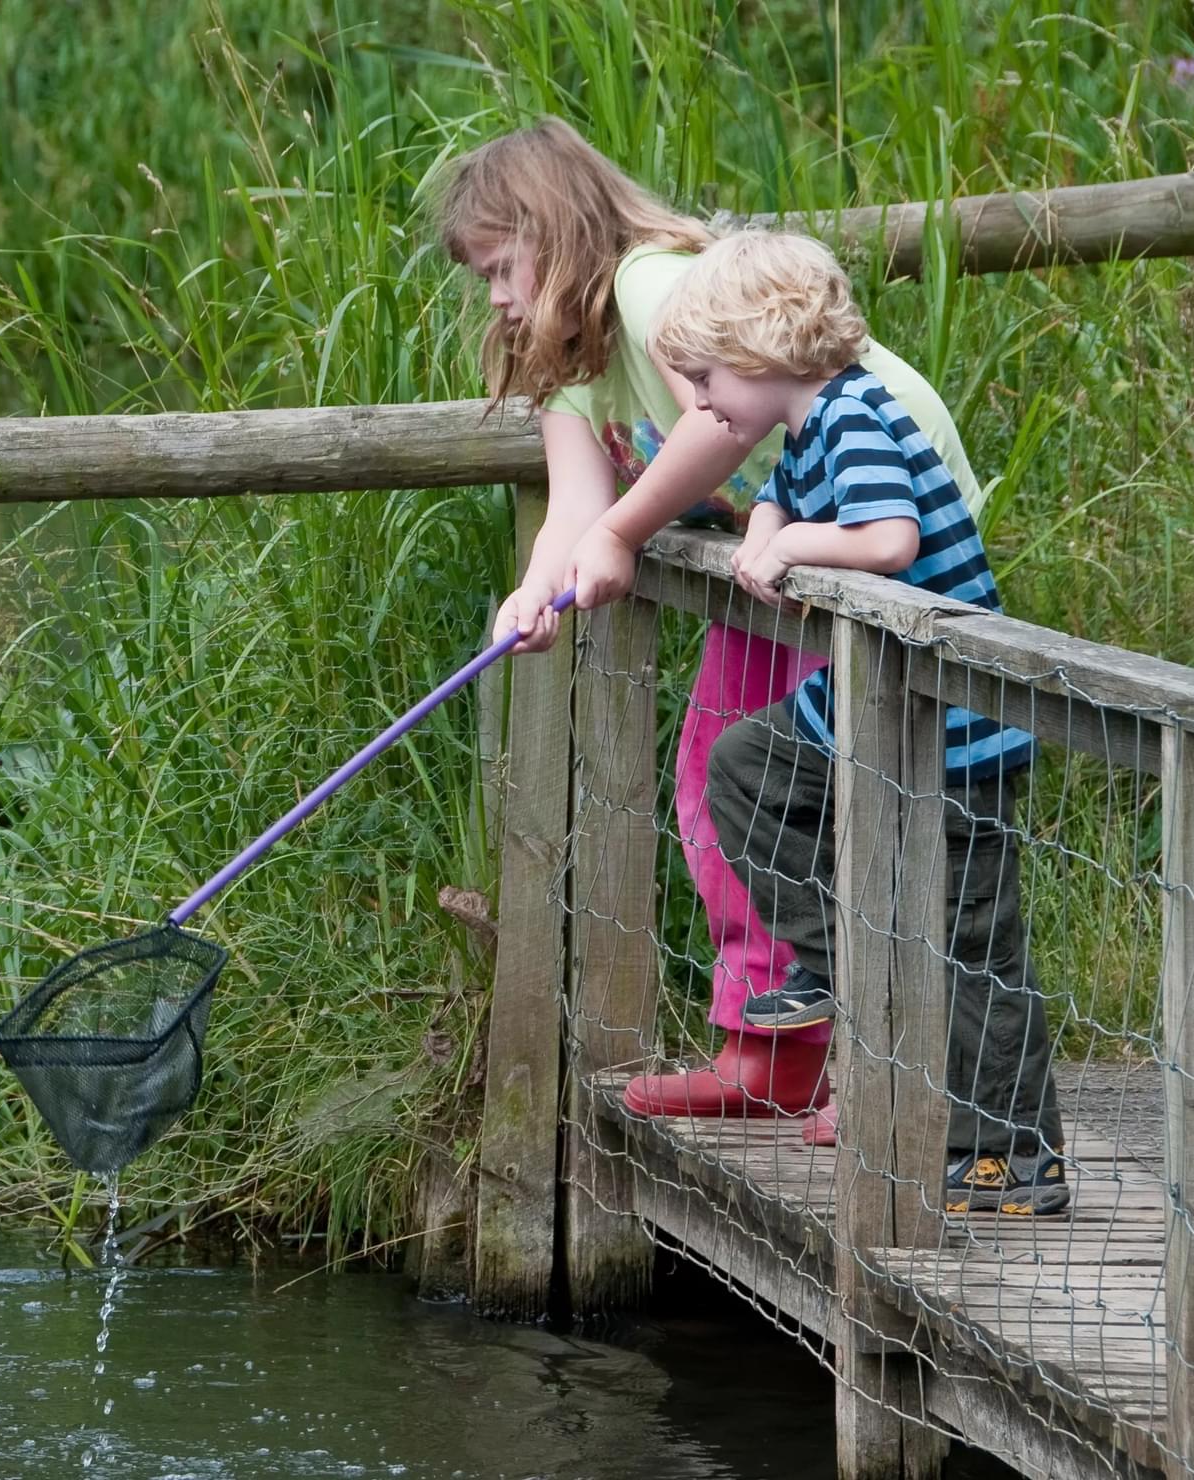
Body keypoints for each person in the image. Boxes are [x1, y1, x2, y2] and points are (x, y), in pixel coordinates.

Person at [438, 118, 988, 1133]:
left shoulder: (654, 285)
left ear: (554, 236)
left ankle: (887, 1070)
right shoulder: (572, 361)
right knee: (718, 774)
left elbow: (718, 422)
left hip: (874, 529)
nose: (499, 298)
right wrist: (537, 587)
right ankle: (771, 1048)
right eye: (486, 280)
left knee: (858, 794)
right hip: (774, 558)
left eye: (502, 268)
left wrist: (623, 529)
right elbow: (573, 510)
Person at [648, 229, 1067, 1214]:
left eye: (707, 378)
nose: (700, 403)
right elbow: (775, 503)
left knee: (974, 942)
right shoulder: (811, 428)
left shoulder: (856, 418)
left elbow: (888, 537)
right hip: (865, 711)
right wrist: (765, 525)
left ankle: (1013, 1154)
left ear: (760, 353)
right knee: (745, 771)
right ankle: (830, 959)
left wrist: (789, 535)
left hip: (951, 725)